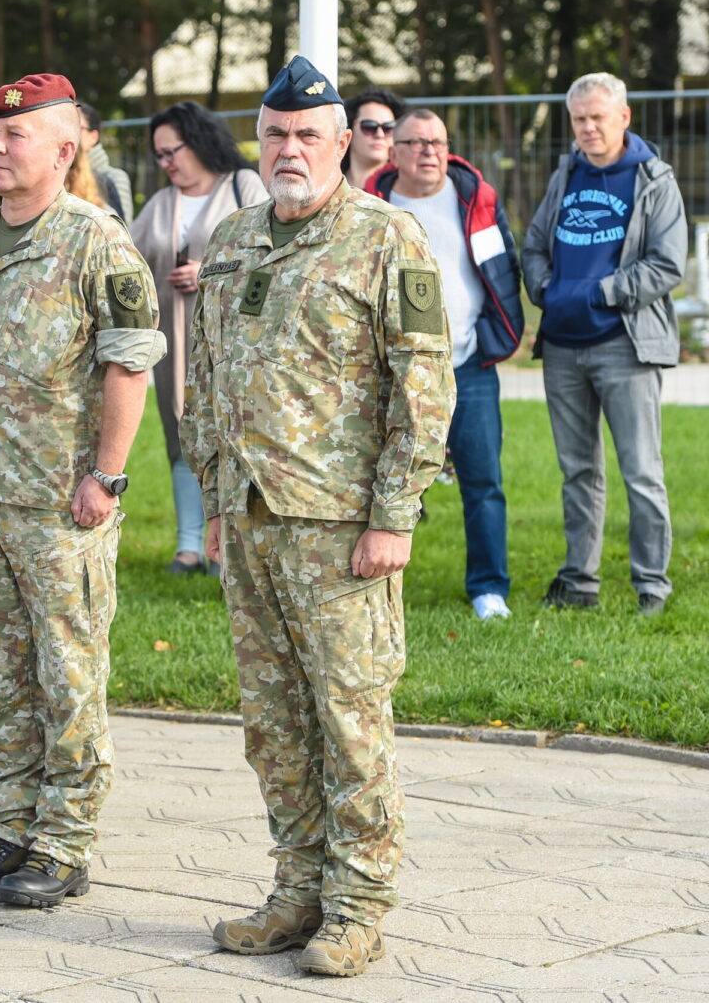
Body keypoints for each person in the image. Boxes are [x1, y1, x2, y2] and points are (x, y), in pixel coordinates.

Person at [183, 56, 454, 975]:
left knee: (349, 720)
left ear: (344, 143)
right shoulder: (234, 240)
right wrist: (218, 497)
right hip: (253, 520)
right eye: (275, 134)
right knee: (274, 723)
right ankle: (296, 891)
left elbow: (423, 389)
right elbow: (207, 379)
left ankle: (358, 906)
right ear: (255, 143)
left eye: (307, 135)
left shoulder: (387, 238)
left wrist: (395, 514)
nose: (289, 148)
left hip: (342, 528)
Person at [0, 74, 163, 909]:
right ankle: (12, 830)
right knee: (8, 673)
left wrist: (105, 474)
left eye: (14, 136)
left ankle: (64, 843)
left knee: (69, 675)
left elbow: (130, 358)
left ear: (64, 150)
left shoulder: (94, 241)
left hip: (60, 502)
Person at [522, 72, 683, 617]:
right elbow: (535, 243)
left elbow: (666, 265)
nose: (588, 128)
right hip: (563, 348)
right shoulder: (566, 172)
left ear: (624, 118)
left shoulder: (653, 180)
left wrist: (598, 294)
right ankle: (580, 582)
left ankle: (651, 588)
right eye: (580, 118)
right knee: (578, 472)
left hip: (625, 345)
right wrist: (546, 290)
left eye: (598, 117)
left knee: (641, 471)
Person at [367, 108, 525, 620]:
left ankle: (488, 588)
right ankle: (377, 580)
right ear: (395, 151)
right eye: (416, 143)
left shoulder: (473, 197)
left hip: (468, 366)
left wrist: (497, 331)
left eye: (437, 142)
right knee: (380, 481)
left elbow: (501, 267)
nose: (429, 151)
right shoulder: (373, 205)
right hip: (392, 373)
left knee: (483, 481)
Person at [129, 101, 267, 577]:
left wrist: (210, 272)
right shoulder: (162, 202)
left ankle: (232, 544)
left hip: (236, 344)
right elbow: (130, 258)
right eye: (159, 155)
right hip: (175, 344)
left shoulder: (243, 186)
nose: (166, 162)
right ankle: (189, 548)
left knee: (234, 438)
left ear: (200, 141)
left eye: (173, 151)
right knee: (182, 438)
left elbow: (271, 255)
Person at [77, 102, 132, 221]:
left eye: (77, 127)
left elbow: (122, 229)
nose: (70, 133)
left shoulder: (114, 178)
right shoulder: (59, 174)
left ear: (93, 137)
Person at [341, 87, 405, 190]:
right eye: (369, 126)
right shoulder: (328, 184)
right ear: (349, 130)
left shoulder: (405, 187)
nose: (380, 135)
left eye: (388, 128)